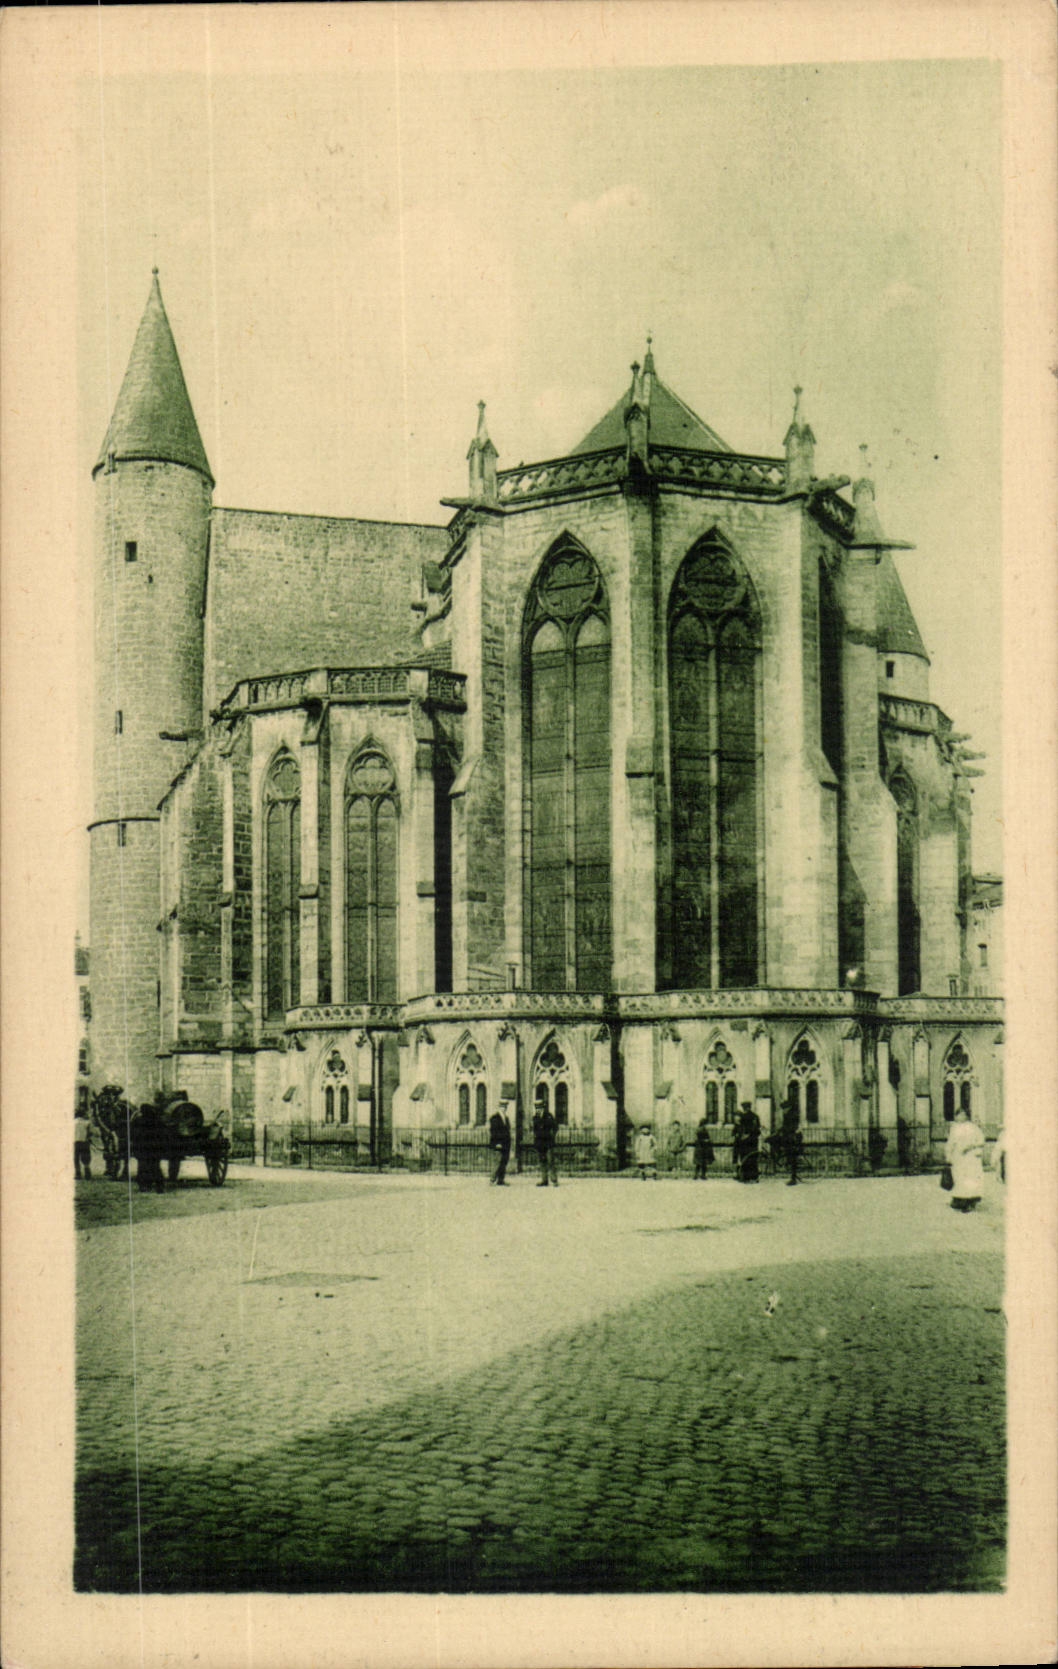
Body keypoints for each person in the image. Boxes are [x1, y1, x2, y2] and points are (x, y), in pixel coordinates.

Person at [945, 1106, 986, 1212]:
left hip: (971, 1157)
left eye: (963, 1114)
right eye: (958, 1114)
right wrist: (948, 1156)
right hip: (958, 1157)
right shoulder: (954, 1128)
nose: (960, 1116)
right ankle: (959, 1200)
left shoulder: (973, 1127)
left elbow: (981, 1141)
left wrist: (971, 1146)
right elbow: (950, 1143)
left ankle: (970, 1201)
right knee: (959, 1178)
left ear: (967, 1115)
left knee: (970, 1178)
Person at [532, 1101, 559, 1187]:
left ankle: (554, 1180)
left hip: (548, 1143)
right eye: (536, 1108)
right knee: (542, 1161)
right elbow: (535, 1130)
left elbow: (555, 1127)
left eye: (539, 1108)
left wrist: (552, 1136)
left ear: (543, 1108)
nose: (538, 1110)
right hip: (540, 1143)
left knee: (550, 1161)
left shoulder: (548, 1116)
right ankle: (544, 1180)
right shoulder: (535, 1118)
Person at [736, 1101, 761, 1183]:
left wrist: (745, 1135)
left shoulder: (744, 1117)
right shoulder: (755, 1116)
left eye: (744, 1108)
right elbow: (757, 1129)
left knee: (745, 1158)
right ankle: (754, 1177)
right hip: (753, 1141)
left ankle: (746, 1177)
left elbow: (742, 1129)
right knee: (753, 1158)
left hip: (746, 1141)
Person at [489, 1102, 513, 1186]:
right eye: (502, 1107)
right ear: (499, 1108)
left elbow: (508, 1131)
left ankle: (501, 1180)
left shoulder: (506, 1118)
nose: (504, 1109)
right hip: (498, 1144)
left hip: (506, 1144)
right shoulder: (494, 1118)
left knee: (504, 1162)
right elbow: (494, 1132)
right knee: (497, 1161)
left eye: (505, 1107)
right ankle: (492, 1180)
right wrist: (497, 1143)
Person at [74, 1111, 92, 1179]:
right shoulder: (87, 1123)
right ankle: (87, 1172)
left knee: (76, 1158)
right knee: (86, 1158)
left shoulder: (72, 1122)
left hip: (75, 1142)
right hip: (85, 1142)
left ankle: (78, 1173)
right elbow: (90, 1132)